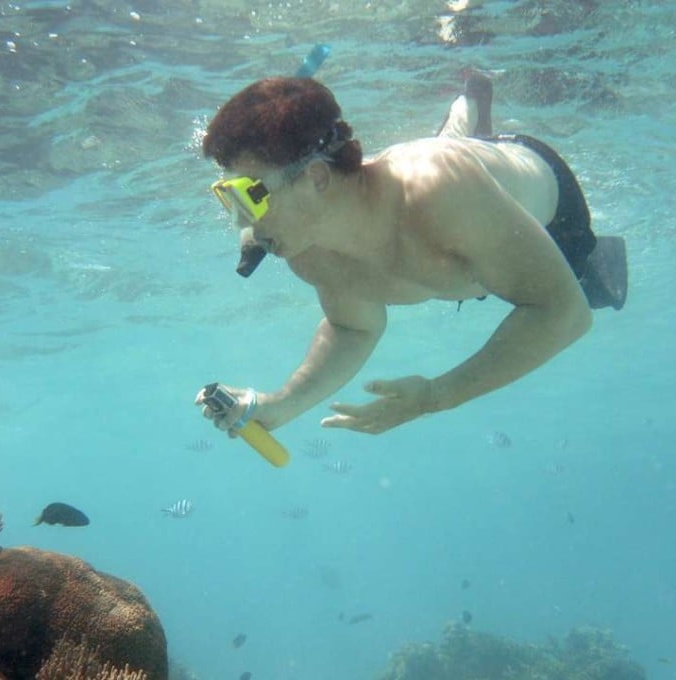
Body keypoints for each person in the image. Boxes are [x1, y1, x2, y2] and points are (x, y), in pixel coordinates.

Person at [196, 74, 626, 436]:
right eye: (226, 196)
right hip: (457, 230)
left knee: (592, 291)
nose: (241, 223)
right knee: (451, 175)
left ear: (317, 177)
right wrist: (279, 406)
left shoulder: (442, 196)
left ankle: (473, 110)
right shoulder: (307, 249)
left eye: (249, 195)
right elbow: (353, 328)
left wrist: (436, 396)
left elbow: (563, 313)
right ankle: (468, 108)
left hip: (545, 200)